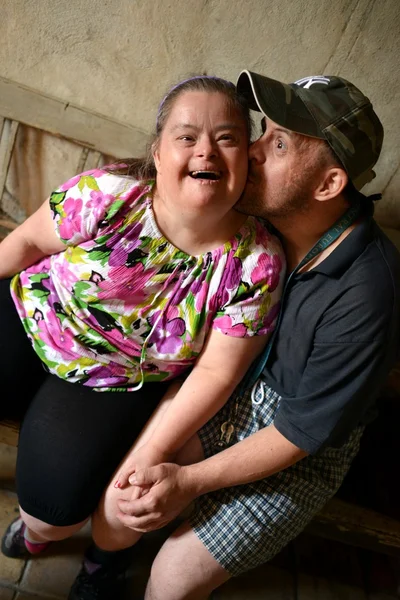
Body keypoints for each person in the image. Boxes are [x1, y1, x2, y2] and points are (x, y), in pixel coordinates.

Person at [81, 72, 400, 600]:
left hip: (301, 440)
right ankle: (100, 566)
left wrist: (191, 481)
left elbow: (301, 433)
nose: (249, 152)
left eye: (277, 144)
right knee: (127, 494)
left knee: (171, 580)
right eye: (263, 130)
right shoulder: (259, 218)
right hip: (231, 381)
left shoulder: (370, 294)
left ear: (328, 185)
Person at [0, 76, 285, 577]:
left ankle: (59, 546)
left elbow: (217, 374)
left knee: (52, 514)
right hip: (32, 313)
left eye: (226, 137)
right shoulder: (111, 193)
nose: (206, 151)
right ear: (158, 152)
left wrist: (153, 449)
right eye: (187, 136)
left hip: (112, 379)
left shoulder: (256, 263)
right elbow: (25, 245)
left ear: (248, 157)